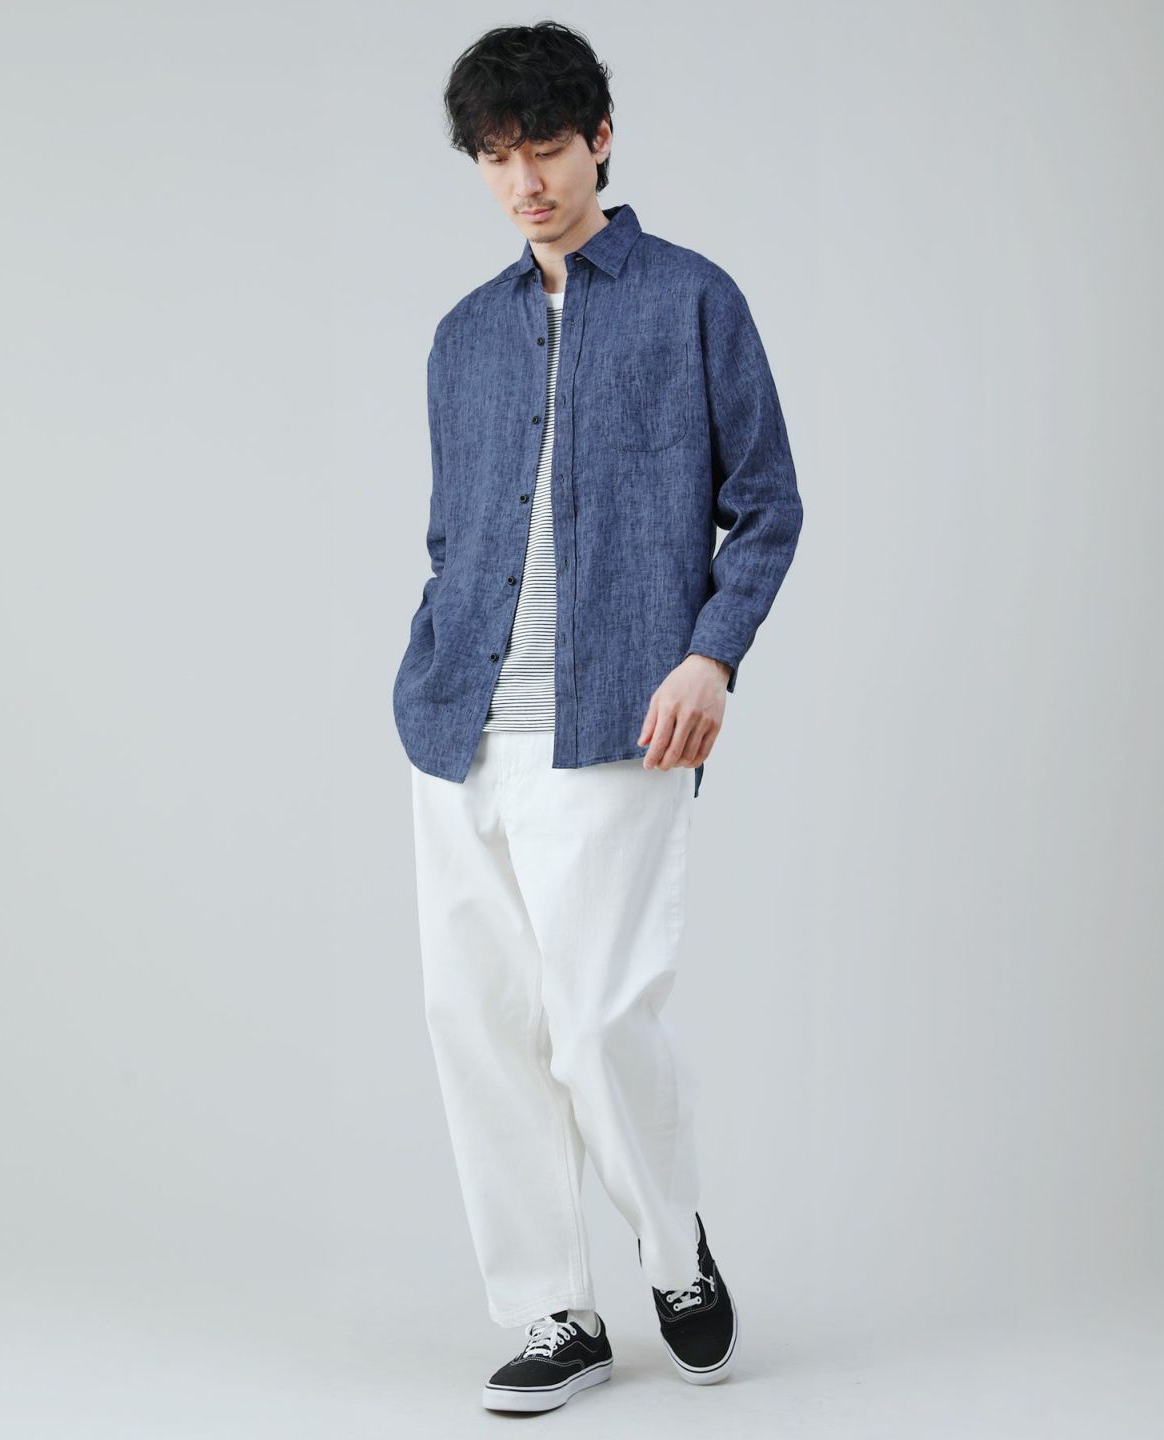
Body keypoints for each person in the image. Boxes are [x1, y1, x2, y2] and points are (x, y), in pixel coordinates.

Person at [392, 21, 803, 1414]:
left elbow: (769, 505)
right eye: (497, 158)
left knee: (597, 1021)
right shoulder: (463, 337)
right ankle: (552, 1312)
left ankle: (674, 1256)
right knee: (479, 1025)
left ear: (601, 138)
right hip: (459, 729)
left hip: (622, 719)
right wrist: (426, 668)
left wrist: (711, 659)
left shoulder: (693, 301)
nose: (525, 182)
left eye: (548, 149)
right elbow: (453, 538)